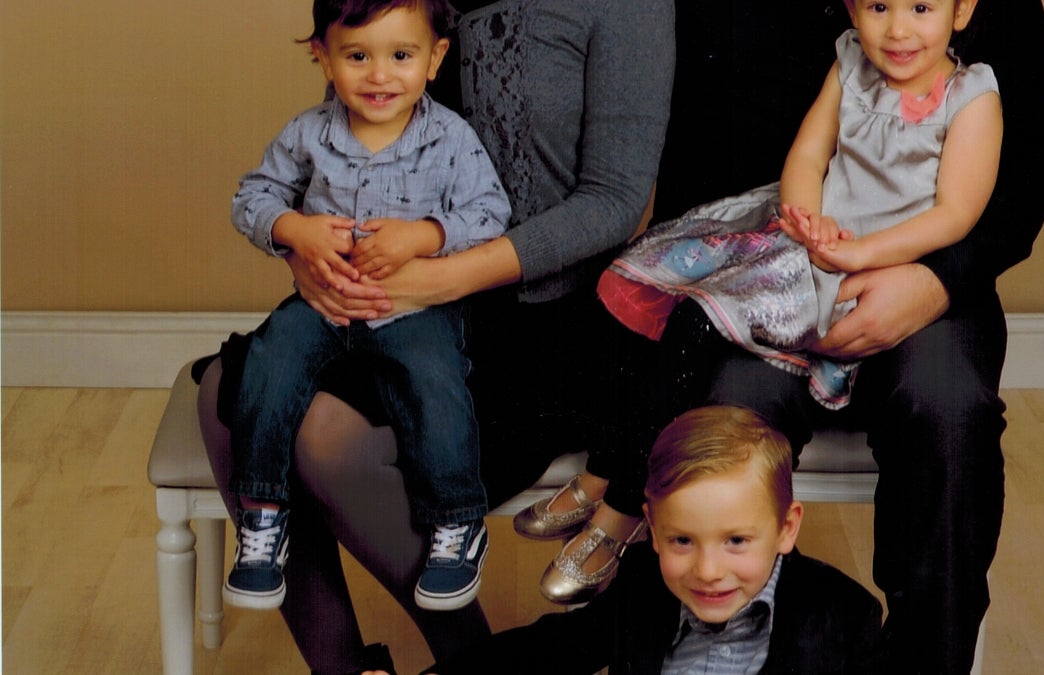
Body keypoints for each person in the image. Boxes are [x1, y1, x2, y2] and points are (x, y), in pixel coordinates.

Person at [518, 0, 1044, 671]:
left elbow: (1031, 166)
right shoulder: (837, 60)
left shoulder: (971, 61)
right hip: (781, 264)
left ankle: (928, 660)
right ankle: (741, 651)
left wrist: (933, 281)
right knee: (724, 411)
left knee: (947, 411)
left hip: (931, 276)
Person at [198, 0, 674, 671]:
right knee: (225, 396)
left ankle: (473, 663)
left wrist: (444, 277)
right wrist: (305, 251)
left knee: (326, 436)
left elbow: (614, 198)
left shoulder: (628, 8)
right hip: (393, 292)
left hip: (542, 323)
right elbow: (344, 139)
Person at [223, 0, 510, 613]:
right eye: (358, 56)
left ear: (434, 60)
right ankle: (263, 516)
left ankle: (456, 524)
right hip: (323, 302)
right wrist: (294, 230)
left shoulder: (451, 137)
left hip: (409, 308)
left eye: (401, 56)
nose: (380, 75)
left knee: (435, 383)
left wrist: (426, 235)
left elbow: (489, 213)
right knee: (268, 363)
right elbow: (252, 197)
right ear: (323, 57)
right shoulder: (308, 134)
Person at [598, 0, 1001, 411]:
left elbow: (954, 214)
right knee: (694, 318)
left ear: (962, 10)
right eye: (879, 6)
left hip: (889, 265)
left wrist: (862, 252)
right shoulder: (851, 65)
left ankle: (622, 461)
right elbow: (808, 155)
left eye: (920, 8)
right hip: (818, 252)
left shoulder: (971, 97)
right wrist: (808, 220)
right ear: (852, 9)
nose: (898, 29)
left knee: (707, 324)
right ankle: (624, 463)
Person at [419, 406, 881, 674]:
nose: (707, 570)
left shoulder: (843, 615)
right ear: (653, 529)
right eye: (682, 540)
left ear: (786, 527)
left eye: (736, 541)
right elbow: (552, 649)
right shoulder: (644, 586)